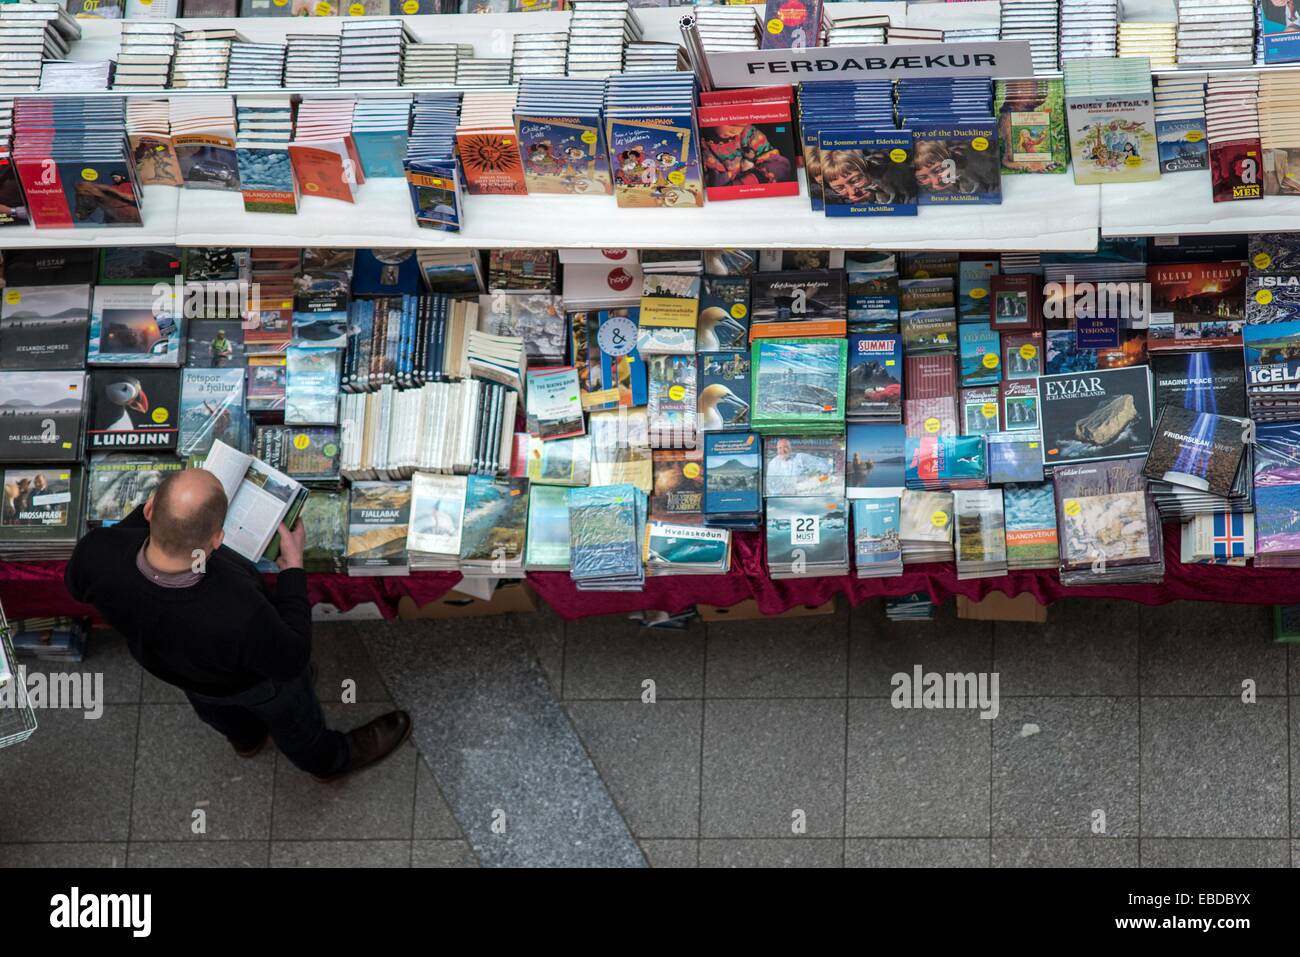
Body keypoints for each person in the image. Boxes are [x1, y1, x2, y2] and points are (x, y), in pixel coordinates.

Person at [65, 469, 410, 782]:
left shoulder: (96, 552)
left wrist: (172, 519)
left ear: (150, 509)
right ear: (217, 539)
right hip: (253, 683)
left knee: (216, 710)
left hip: (176, 669)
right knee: (294, 719)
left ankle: (247, 740)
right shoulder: (238, 609)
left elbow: (78, 584)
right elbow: (291, 659)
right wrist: (292, 567)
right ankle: (329, 761)